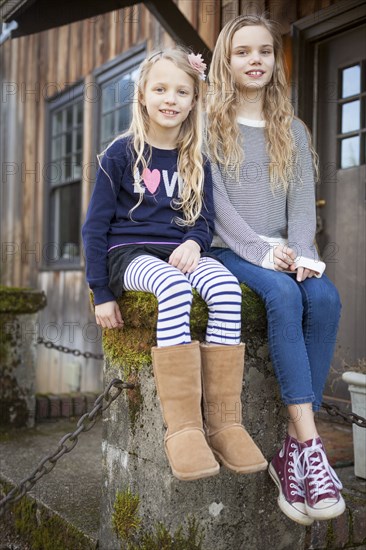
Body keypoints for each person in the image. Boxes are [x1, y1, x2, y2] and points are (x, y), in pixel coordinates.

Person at [82, 47, 267, 482]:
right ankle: (182, 427)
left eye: (182, 91)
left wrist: (194, 244)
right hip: (128, 256)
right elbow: (94, 227)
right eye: (161, 88)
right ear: (142, 95)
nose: (171, 98)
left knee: (224, 288)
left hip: (177, 251)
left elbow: (203, 221)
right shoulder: (121, 154)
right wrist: (101, 292)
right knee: (173, 287)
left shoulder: (195, 158)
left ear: (193, 101)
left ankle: (224, 423)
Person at [206, 15, 345, 523]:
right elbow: (216, 205)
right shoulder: (207, 123)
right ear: (227, 59)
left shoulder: (294, 126)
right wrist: (260, 253)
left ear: (276, 60)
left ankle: (291, 453)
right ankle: (311, 447)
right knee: (283, 297)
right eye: (243, 52)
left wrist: (301, 252)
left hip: (286, 249)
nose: (255, 60)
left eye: (265, 51)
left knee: (324, 297)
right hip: (229, 249)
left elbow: (304, 205)